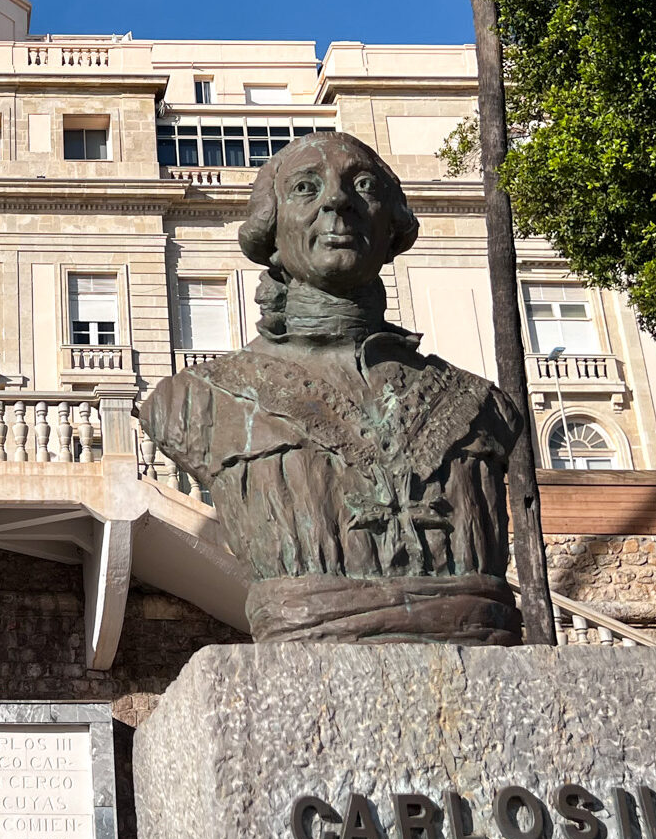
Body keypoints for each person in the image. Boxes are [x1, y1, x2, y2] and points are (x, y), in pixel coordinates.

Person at [139, 132, 522, 643]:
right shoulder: (193, 401)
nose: (337, 200)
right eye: (305, 188)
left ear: (392, 227)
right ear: (270, 229)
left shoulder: (482, 405)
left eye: (362, 185)